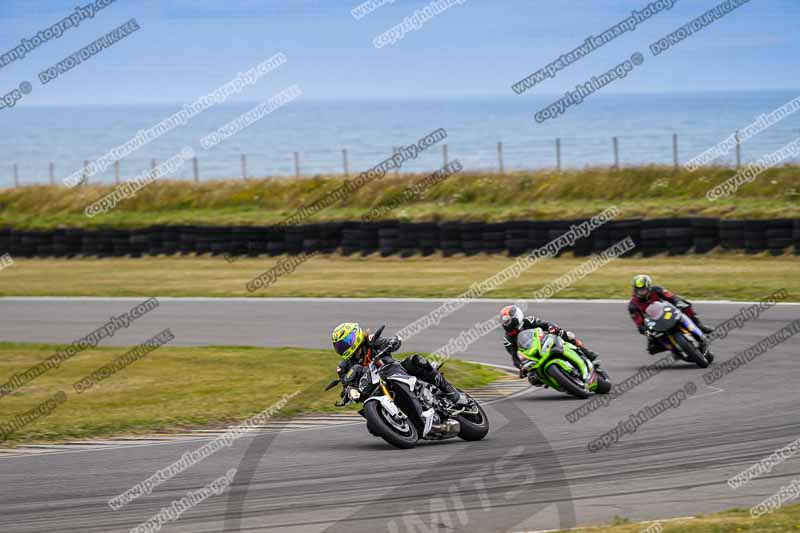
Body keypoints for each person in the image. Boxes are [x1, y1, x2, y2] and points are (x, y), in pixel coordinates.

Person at [331, 322, 468, 406]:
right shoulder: (343, 367)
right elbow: (346, 386)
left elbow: (387, 341)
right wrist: (347, 393)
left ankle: (451, 392)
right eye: (339, 346)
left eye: (344, 343)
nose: (342, 347)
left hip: (394, 369)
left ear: (355, 336)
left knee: (416, 360)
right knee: (372, 427)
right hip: (374, 390)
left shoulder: (370, 341)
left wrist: (392, 342)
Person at [500, 305, 604, 379]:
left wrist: (552, 328)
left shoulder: (528, 321)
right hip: (532, 356)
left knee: (567, 335)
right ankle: (557, 380)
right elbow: (514, 357)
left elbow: (545, 324)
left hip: (544, 341)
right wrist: (521, 367)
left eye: (507, 320)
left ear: (516, 317)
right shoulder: (507, 339)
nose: (506, 323)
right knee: (533, 379)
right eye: (504, 321)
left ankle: (588, 354)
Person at [628, 274, 714, 356]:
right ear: (635, 289)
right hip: (652, 322)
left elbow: (671, 297)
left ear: (649, 287)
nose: (641, 292)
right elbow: (639, 322)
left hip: (667, 312)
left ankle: (699, 325)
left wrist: (678, 302)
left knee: (685, 304)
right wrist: (645, 330)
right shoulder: (633, 305)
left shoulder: (657, 289)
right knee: (652, 347)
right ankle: (673, 349)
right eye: (639, 290)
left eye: (643, 289)